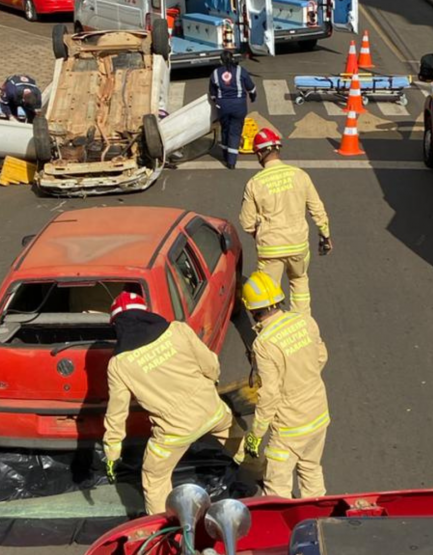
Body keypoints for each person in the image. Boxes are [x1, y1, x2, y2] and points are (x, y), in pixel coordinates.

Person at [102, 292, 244, 515]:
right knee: (238, 440)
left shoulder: (119, 364)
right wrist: (209, 387)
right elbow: (210, 365)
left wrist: (112, 453)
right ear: (145, 313)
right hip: (212, 411)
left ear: (118, 324)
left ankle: (160, 528)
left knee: (154, 478)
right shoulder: (178, 330)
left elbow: (117, 414)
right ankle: (259, 473)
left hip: (174, 433)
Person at [241, 271, 329, 499]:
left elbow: (269, 396)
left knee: (276, 487)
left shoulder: (264, 344)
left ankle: (285, 531)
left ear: (252, 311)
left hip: (290, 427)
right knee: (311, 469)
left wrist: (256, 434)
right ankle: (319, 519)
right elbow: (321, 357)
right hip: (318, 414)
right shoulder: (304, 320)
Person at [238, 129, 333, 315]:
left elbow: (246, 222)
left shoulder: (254, 183)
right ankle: (303, 322)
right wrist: (325, 235)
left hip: (270, 249)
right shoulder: (300, 175)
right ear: (278, 150)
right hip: (298, 245)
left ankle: (275, 333)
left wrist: (259, 234)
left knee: (268, 295)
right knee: (299, 282)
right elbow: (317, 209)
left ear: (258, 154)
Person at [208, 50, 256, 169]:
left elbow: (212, 94)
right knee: (234, 132)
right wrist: (253, 97)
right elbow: (251, 88)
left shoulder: (215, 73)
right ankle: (231, 162)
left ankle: (224, 155)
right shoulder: (241, 71)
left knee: (225, 129)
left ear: (221, 60)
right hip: (238, 107)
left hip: (222, 107)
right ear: (233, 58)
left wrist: (218, 103)